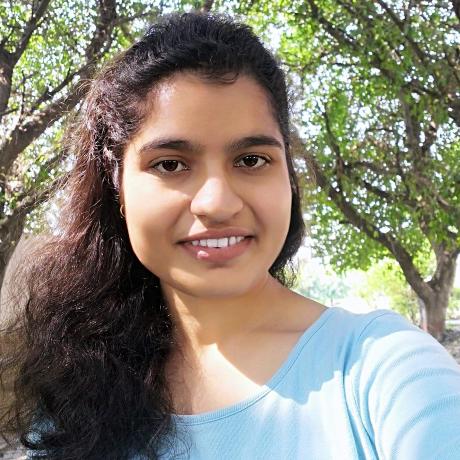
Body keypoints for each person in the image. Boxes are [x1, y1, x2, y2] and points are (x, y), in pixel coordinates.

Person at [1, 11, 460, 460]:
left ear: (288, 176)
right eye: (170, 164)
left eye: (251, 160)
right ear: (117, 187)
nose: (218, 203)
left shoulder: (385, 372)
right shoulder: (75, 387)